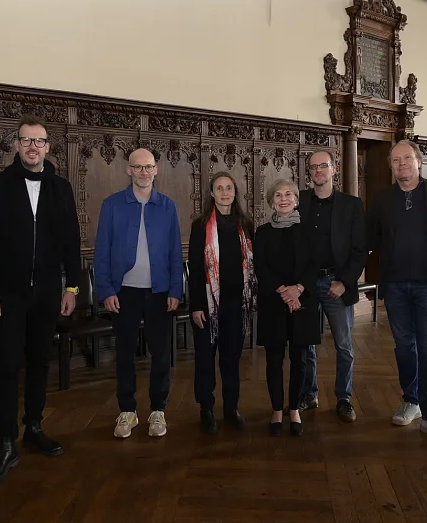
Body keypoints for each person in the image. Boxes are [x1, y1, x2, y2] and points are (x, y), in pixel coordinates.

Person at [0, 116, 81, 485]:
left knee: (40, 362)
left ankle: (33, 427)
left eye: (39, 141)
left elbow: (72, 243)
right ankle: (6, 442)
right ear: (17, 145)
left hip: (48, 293)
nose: (33, 146)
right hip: (7, 295)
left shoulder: (61, 188)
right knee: (6, 367)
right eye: (26, 140)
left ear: (48, 146)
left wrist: (72, 290)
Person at [367, 139, 427, 444]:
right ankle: (412, 400)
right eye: (395, 160)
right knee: (404, 347)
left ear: (418, 161)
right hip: (395, 286)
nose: (401, 164)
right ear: (391, 166)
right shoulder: (382, 200)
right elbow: (375, 239)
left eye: (406, 158)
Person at [94, 148, 183, 439]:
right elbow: (102, 252)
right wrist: (106, 289)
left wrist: (175, 289)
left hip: (159, 292)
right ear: (128, 170)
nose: (144, 172)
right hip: (124, 292)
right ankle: (127, 411)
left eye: (148, 167)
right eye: (138, 167)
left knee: (160, 354)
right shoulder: (112, 205)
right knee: (124, 354)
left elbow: (174, 252)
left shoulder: (167, 206)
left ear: (156, 170)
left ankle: (158, 410)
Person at [298, 150, 367, 423]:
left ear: (334, 169)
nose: (318, 171)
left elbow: (361, 250)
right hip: (306, 283)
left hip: (335, 283)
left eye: (323, 166)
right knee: (306, 343)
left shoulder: (351, 205)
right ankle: (309, 394)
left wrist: (344, 281)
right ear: (308, 172)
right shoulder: (300, 200)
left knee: (344, 345)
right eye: (313, 167)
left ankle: (344, 398)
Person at [188, 171, 256, 433]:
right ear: (212, 194)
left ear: (235, 192)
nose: (225, 192)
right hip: (207, 306)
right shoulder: (200, 226)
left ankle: (231, 407)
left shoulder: (246, 225)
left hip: (237, 305)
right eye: (219, 188)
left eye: (229, 187)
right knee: (205, 360)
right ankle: (206, 408)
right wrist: (195, 306)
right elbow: (195, 269)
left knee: (231, 360)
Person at [253, 178, 320, 436]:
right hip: (273, 301)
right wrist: (284, 291)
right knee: (273, 360)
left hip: (303, 302)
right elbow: (261, 267)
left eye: (289, 194)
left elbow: (314, 265)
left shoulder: (309, 230)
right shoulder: (262, 232)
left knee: (300, 360)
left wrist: (298, 290)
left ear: (295, 200)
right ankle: (277, 410)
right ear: (271, 201)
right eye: (278, 195)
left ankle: (294, 409)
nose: (283, 199)